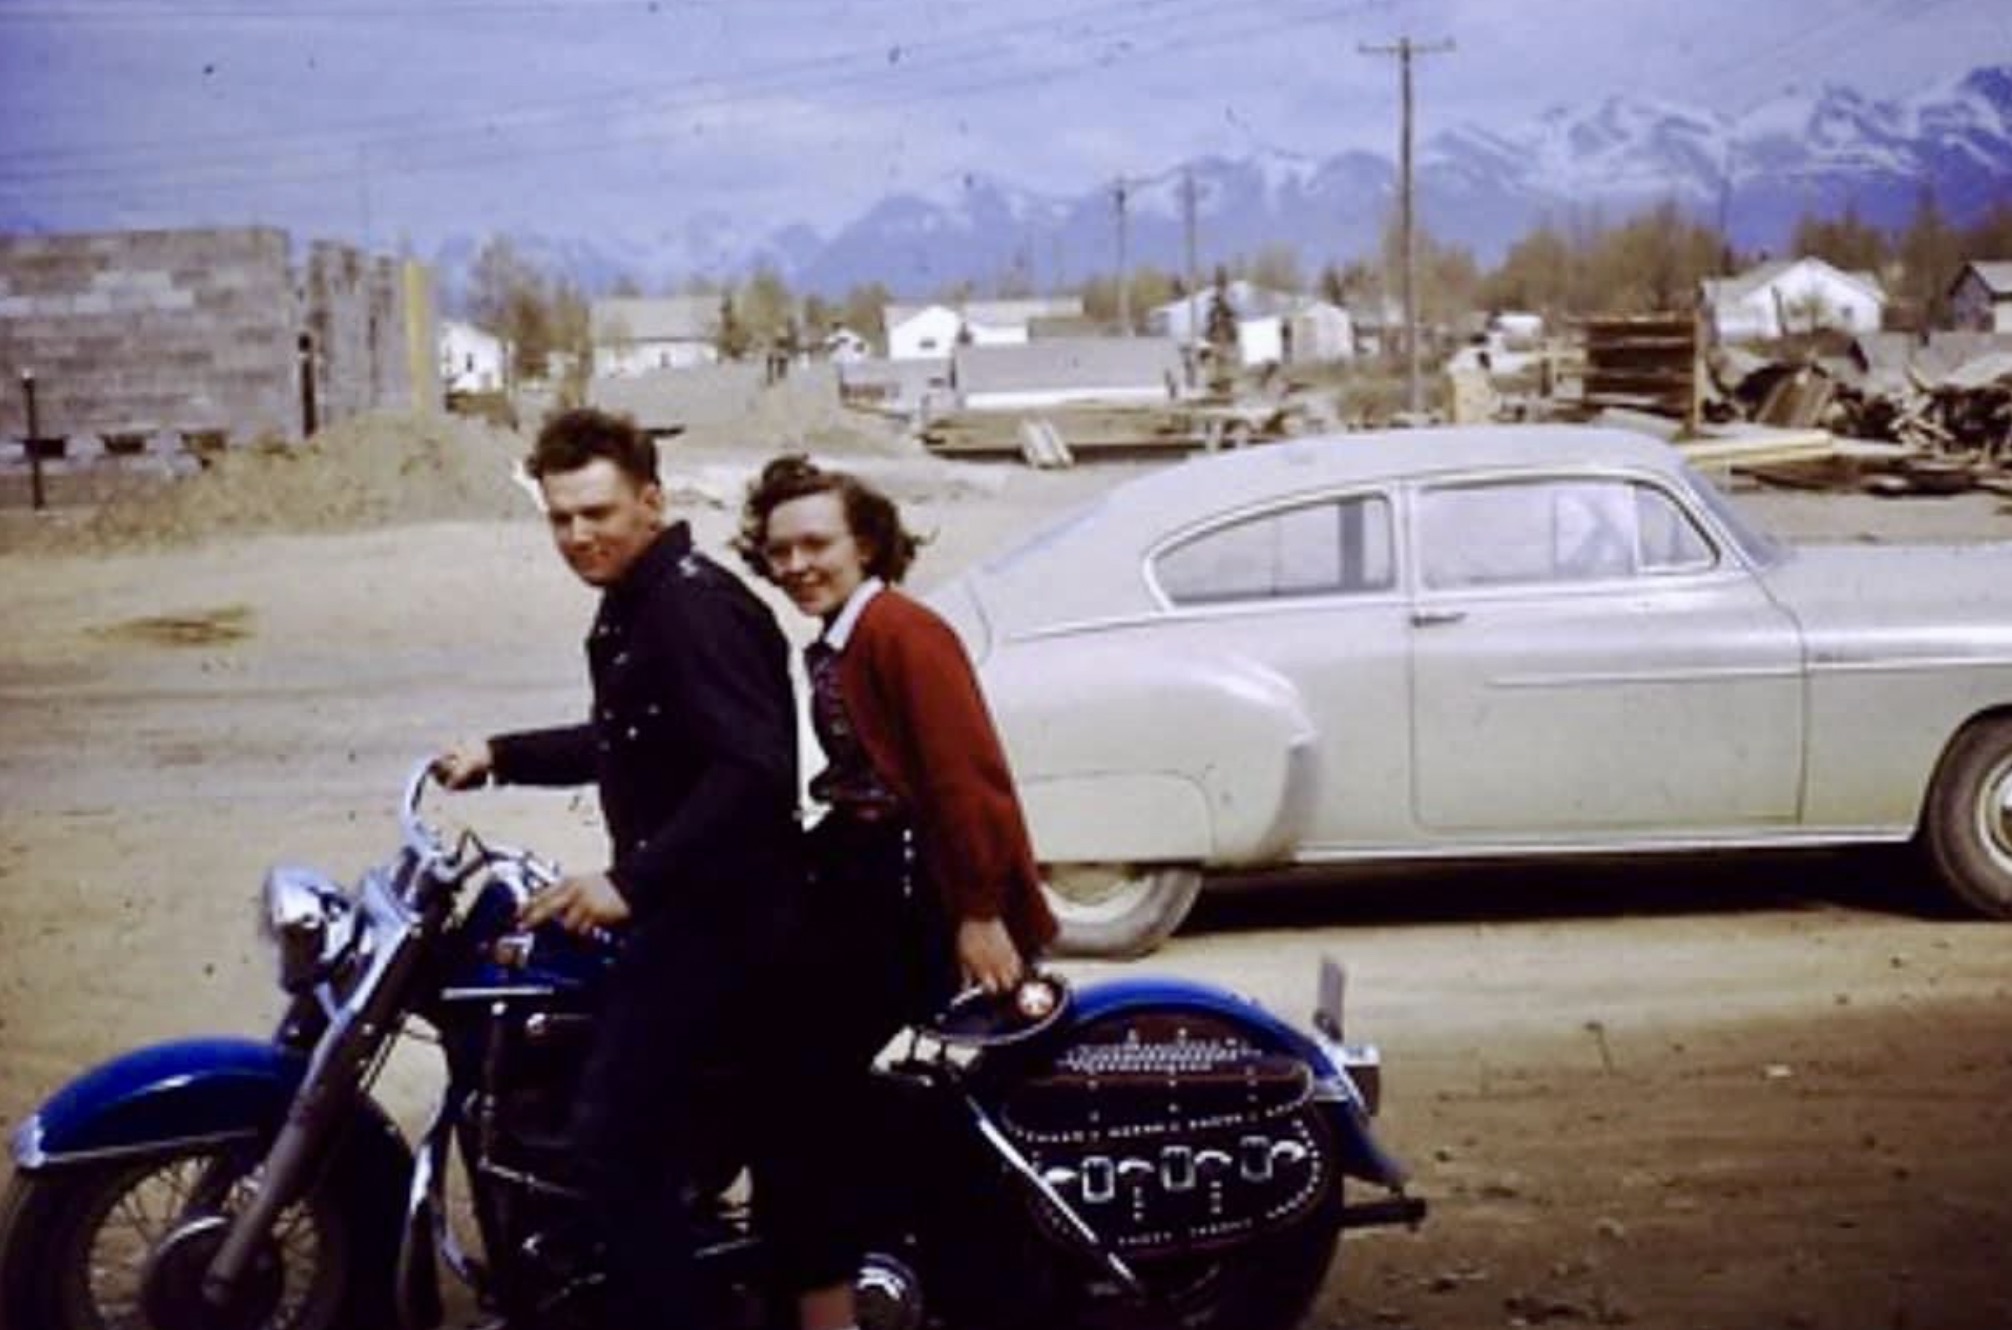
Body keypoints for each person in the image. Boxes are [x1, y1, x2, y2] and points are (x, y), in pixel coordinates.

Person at [433, 407, 822, 1328]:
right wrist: (500, 753)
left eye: (597, 513)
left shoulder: (689, 608)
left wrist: (629, 883)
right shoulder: (642, 600)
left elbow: (753, 771)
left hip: (725, 923)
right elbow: (628, 740)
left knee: (610, 1137)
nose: (577, 536)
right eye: (560, 518)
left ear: (650, 500)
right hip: (685, 908)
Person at [736, 455, 1059, 1330]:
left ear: (868, 542)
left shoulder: (902, 632)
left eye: (817, 544)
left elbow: (966, 781)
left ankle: (830, 1303)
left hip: (917, 893)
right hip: (870, 874)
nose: (798, 564)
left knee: (802, 1086)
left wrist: (982, 914)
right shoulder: (845, 635)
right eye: (779, 550)